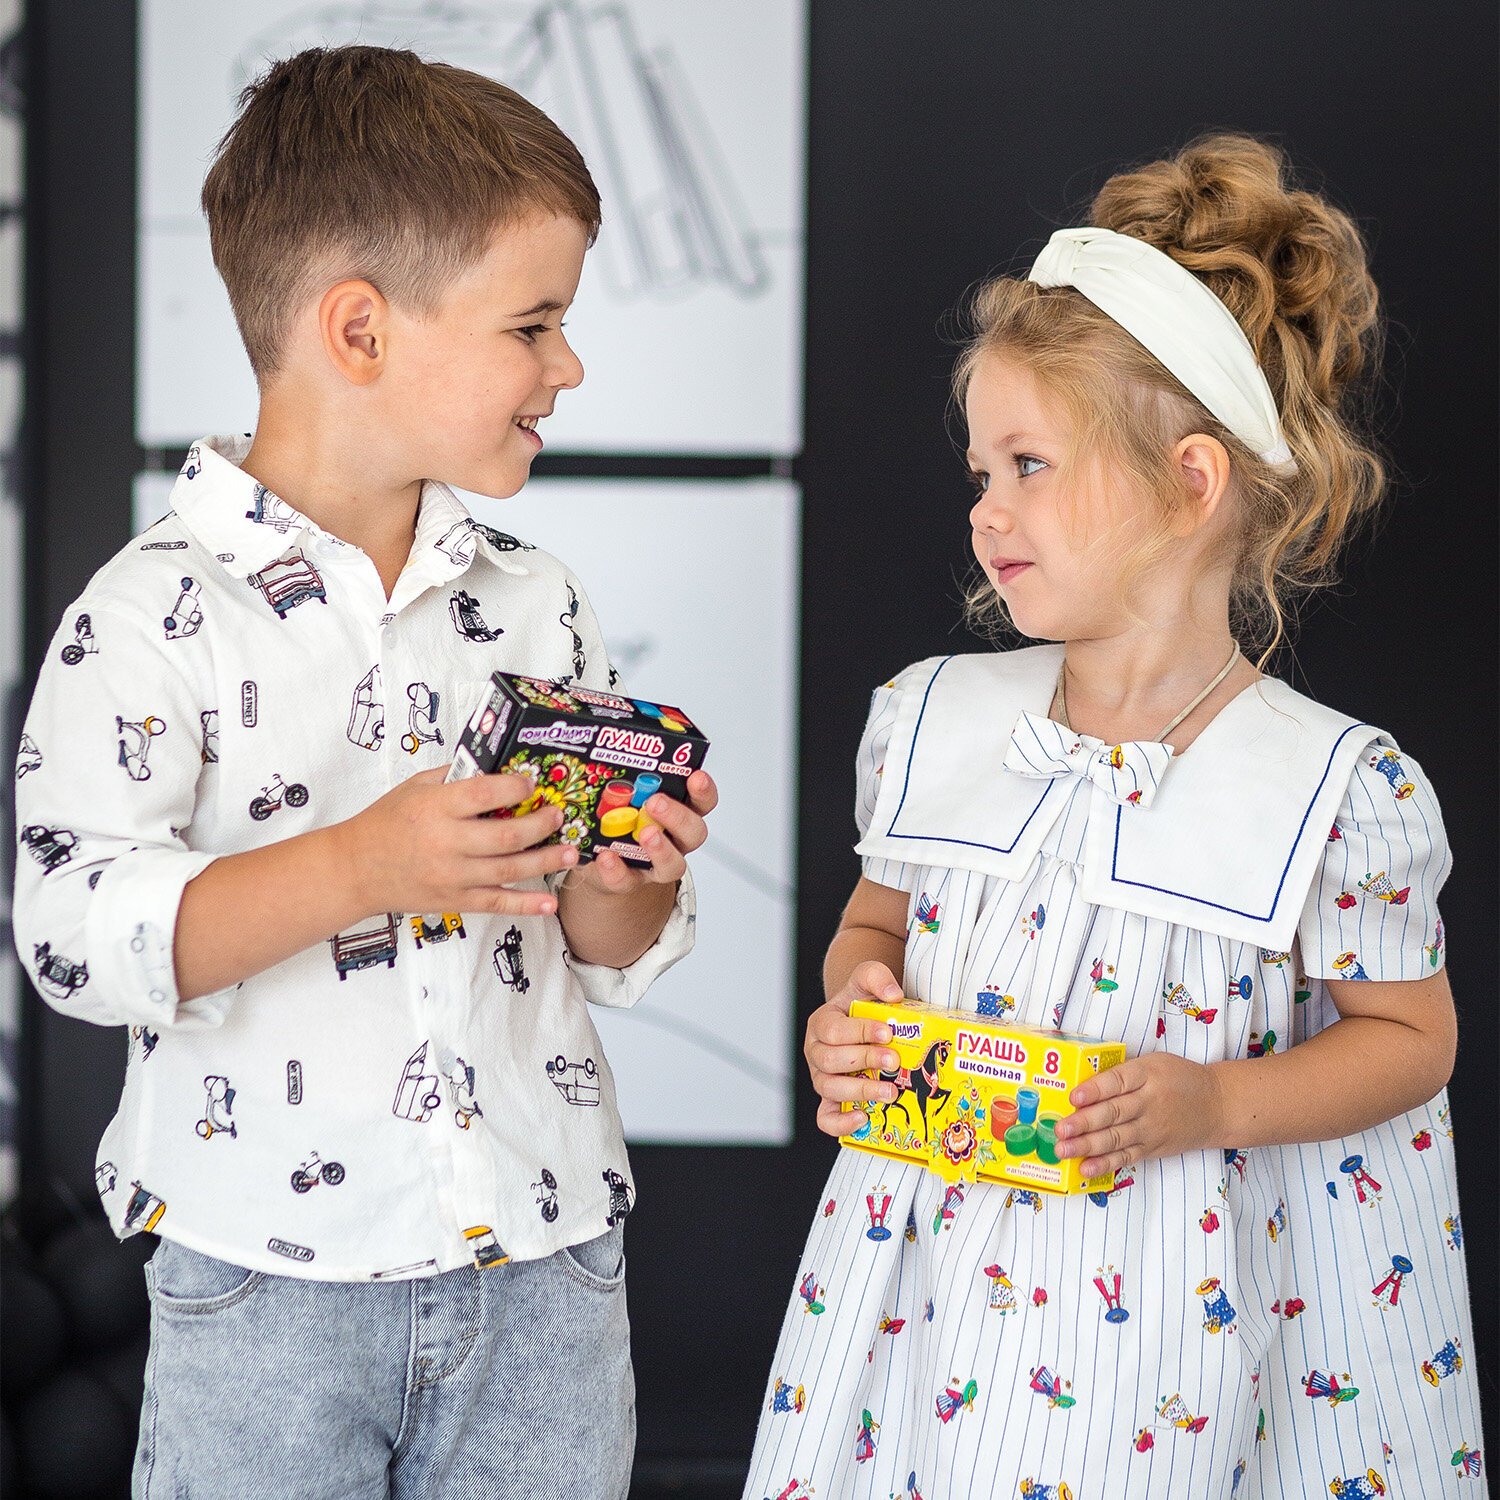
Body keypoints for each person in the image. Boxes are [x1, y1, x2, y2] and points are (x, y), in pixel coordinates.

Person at [13, 46, 716, 1500]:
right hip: (266, 1285)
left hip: (545, 1266)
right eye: (534, 324)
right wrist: (364, 864)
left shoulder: (537, 600)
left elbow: (600, 945)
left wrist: (630, 874)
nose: (568, 365)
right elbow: (76, 938)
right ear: (359, 329)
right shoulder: (146, 617)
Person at [744, 134, 1479, 1499]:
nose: (986, 511)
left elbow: (1411, 1040)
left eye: (1028, 464)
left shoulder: (1333, 789)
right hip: (930, 1310)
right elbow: (873, 925)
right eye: (981, 472)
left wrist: (1214, 1100)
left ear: (1190, 483)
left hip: (1185, 1334)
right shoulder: (933, 721)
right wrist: (852, 1009)